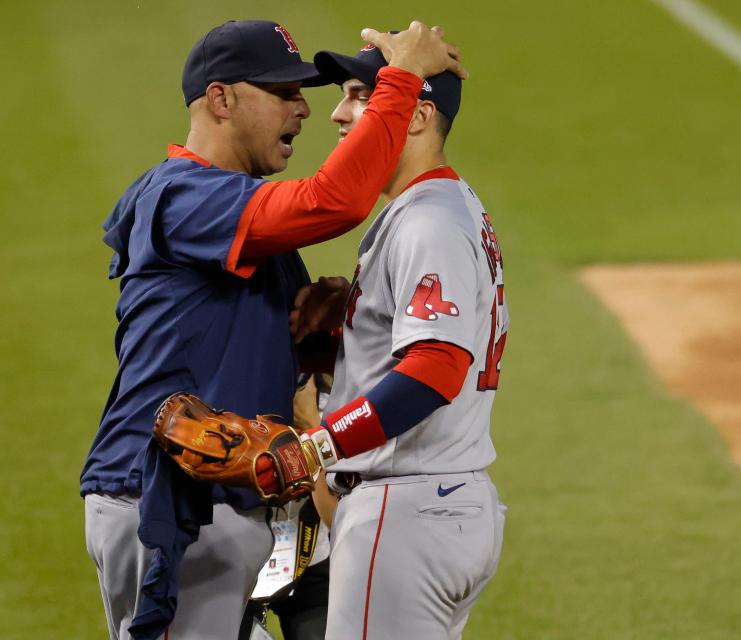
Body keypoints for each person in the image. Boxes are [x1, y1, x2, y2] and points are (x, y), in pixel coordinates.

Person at [79, 18, 464, 640]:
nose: (305, 108)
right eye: (282, 92)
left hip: (220, 501)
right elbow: (332, 202)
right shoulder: (183, 194)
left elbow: (264, 350)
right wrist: (402, 81)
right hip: (161, 499)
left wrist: (334, 328)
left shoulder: (241, 218)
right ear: (221, 99)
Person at [279, 40, 510, 638]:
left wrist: (318, 446)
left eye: (361, 96)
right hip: (443, 503)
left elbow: (434, 369)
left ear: (418, 116)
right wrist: (346, 331)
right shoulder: (447, 205)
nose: (338, 113)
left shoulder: (428, 222)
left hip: (408, 513)